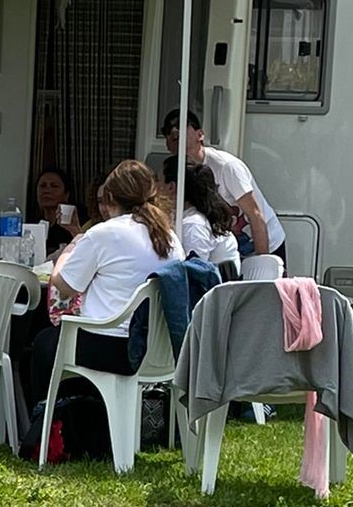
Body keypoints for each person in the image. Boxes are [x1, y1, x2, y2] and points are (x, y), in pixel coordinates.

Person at [29, 160, 180, 401]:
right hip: (159, 348)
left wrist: (69, 250)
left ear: (110, 197)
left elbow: (64, 286)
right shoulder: (169, 237)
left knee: (44, 344)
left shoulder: (104, 233)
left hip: (113, 347)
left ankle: (48, 427)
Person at [162, 109, 286, 263]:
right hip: (234, 246)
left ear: (200, 134)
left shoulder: (226, 166)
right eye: (167, 129)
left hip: (266, 242)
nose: (174, 131)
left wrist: (264, 263)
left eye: (181, 125)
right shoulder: (180, 172)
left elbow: (255, 215)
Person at [161, 156, 241, 274]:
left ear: (172, 187)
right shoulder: (193, 216)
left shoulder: (194, 224)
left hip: (215, 289)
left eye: (157, 180)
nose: (155, 186)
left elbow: (195, 273)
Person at [32, 167, 81, 253]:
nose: (47, 190)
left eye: (54, 186)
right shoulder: (33, 225)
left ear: (66, 195)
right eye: (43, 186)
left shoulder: (74, 224)